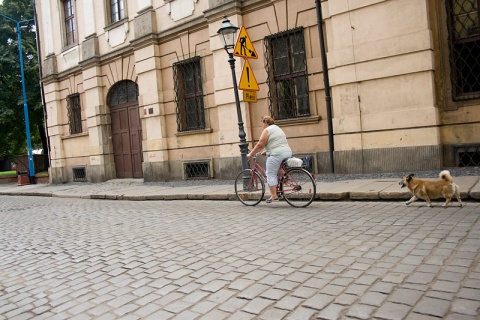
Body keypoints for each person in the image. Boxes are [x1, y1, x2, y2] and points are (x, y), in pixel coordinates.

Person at [247, 116, 292, 203]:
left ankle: (274, 196)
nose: (262, 126)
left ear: (265, 123)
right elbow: (276, 142)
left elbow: (260, 144)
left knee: (270, 173)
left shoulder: (267, 130)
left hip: (277, 154)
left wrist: (251, 154)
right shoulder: (277, 128)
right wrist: (266, 151)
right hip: (287, 152)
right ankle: (285, 177)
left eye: (263, 124)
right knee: (277, 168)